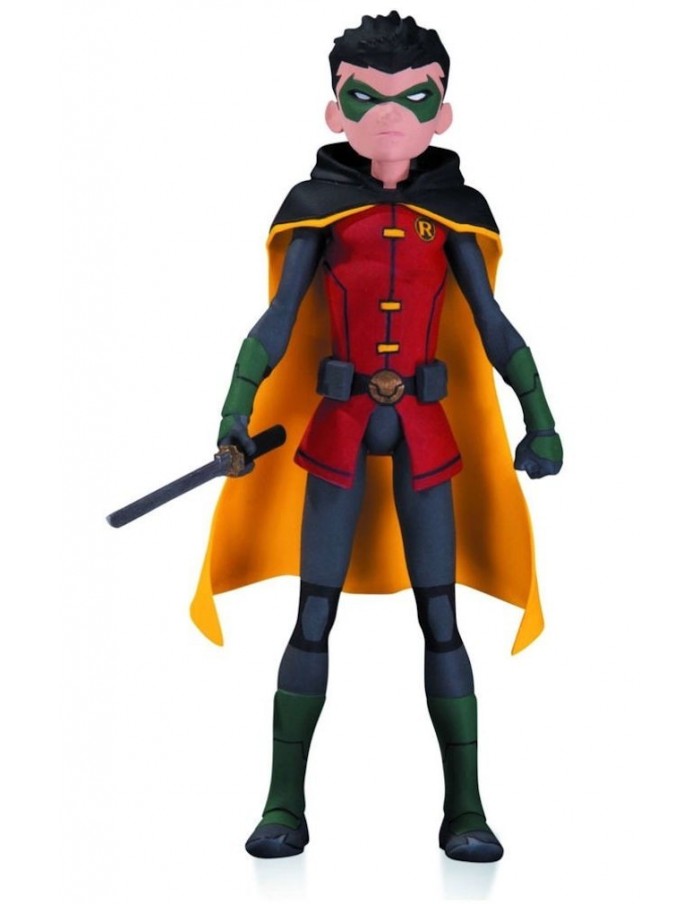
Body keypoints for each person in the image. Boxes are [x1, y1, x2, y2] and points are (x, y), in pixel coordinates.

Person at [190, 11, 562, 862]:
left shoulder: (454, 214)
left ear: (442, 112)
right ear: (337, 111)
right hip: (340, 429)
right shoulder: (317, 212)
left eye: (413, 98)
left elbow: (493, 324)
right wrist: (234, 411)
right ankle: (283, 804)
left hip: (427, 431)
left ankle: (466, 810)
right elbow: (278, 320)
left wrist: (539, 415)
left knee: (443, 620)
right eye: (366, 97)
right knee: (311, 616)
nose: (390, 115)